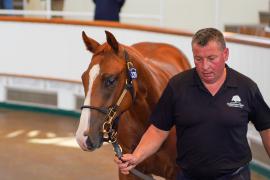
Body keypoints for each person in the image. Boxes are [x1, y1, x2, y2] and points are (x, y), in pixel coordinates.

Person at [114, 27, 270, 180]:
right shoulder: (177, 86)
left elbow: (266, 128)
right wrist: (137, 156)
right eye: (198, 59)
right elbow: (157, 130)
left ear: (225, 54)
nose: (205, 66)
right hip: (188, 175)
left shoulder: (245, 87)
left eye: (211, 58)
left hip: (235, 176)